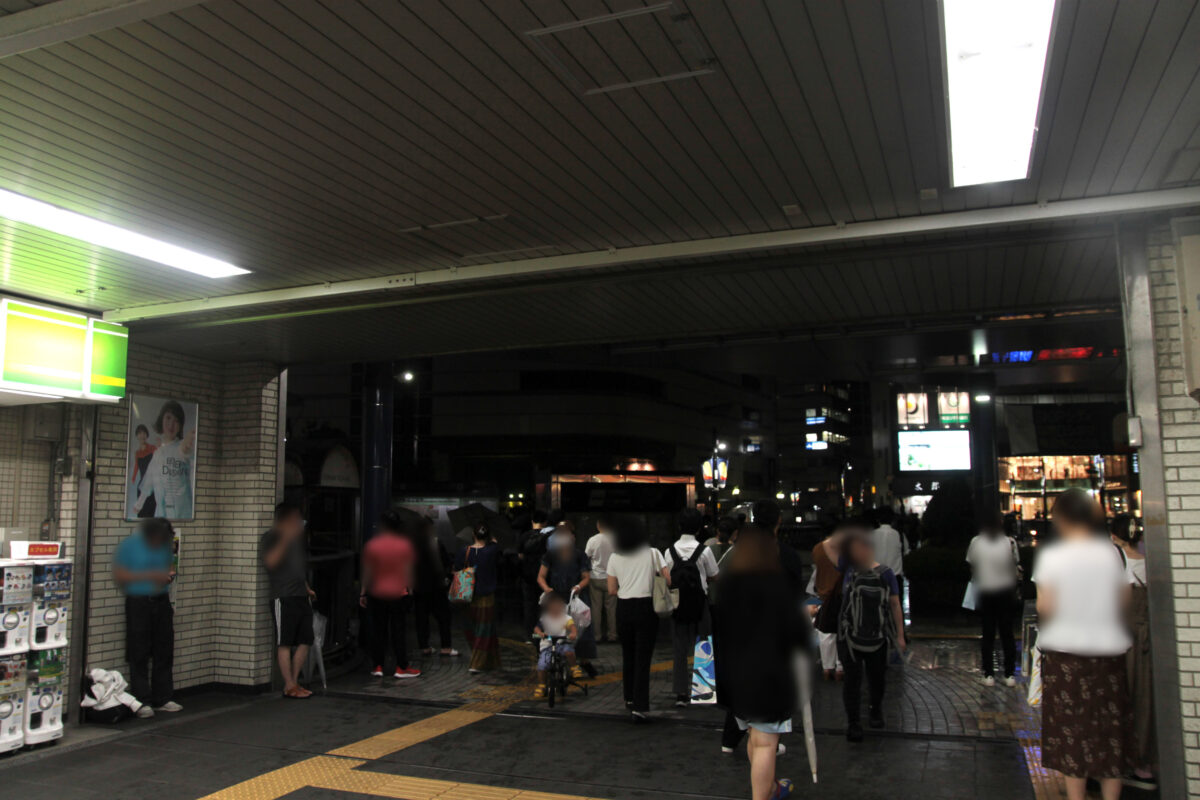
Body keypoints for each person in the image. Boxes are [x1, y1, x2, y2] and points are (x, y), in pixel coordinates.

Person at [1034, 489, 1134, 800]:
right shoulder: (1112, 553)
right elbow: (1124, 601)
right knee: (1110, 732)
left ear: (1061, 519)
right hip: (1109, 656)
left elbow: (1046, 607)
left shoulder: (1053, 556)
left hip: (1066, 658)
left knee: (1072, 734)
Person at [713, 525, 806, 800]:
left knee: (754, 737)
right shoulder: (777, 586)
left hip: (737, 677)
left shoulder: (729, 587)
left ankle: (772, 789)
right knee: (766, 743)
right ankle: (762, 796)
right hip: (770, 678)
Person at [837, 524, 905, 742]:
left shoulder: (852, 572)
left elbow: (845, 604)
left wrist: (901, 635)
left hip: (852, 638)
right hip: (876, 637)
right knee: (874, 679)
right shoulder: (886, 573)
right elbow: (895, 605)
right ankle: (871, 714)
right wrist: (900, 636)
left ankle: (856, 723)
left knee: (856, 681)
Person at [113, 517, 180, 716]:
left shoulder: (165, 546)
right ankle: (142, 700)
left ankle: (163, 697)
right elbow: (122, 575)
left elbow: (169, 567)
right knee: (139, 651)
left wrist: (168, 574)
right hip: (138, 600)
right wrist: (151, 575)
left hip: (161, 598)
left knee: (164, 649)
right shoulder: (130, 546)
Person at [606, 515, 670, 722]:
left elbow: (611, 590)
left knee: (628, 654)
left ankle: (629, 698)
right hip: (646, 606)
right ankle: (640, 707)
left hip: (624, 607)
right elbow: (667, 579)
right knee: (643, 657)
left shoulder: (615, 557)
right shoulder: (653, 553)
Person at [1110, 514, 1155, 791]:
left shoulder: (1116, 564)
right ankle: (1144, 763)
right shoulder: (1151, 561)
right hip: (1148, 641)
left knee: (1119, 698)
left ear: (1114, 536)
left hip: (1120, 638)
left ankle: (1122, 761)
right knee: (1144, 698)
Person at [662, 508, 719, 706]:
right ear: (698, 529)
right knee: (702, 643)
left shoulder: (668, 552)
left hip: (677, 603)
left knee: (679, 648)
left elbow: (666, 578)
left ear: (679, 527)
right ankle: (702, 691)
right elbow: (714, 575)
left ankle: (680, 694)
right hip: (700, 603)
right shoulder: (705, 551)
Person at [260, 502, 315, 699]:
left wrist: (307, 587)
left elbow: (297, 568)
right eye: (295, 521)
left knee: (306, 639)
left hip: (301, 595)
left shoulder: (297, 541)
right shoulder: (271, 537)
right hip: (283, 597)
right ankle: (289, 685)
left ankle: (294, 682)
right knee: (284, 642)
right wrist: (285, 538)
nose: (299, 525)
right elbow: (271, 562)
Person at [359, 510, 420, 679]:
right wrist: (411, 592)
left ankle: (377, 666)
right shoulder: (405, 545)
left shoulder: (372, 545)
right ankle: (401, 667)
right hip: (399, 594)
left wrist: (362, 594)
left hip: (377, 593)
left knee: (379, 631)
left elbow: (368, 572)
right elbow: (409, 572)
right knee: (398, 631)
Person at [966, 509, 1020, 687]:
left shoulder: (976, 542)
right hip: (1006, 591)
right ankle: (1009, 673)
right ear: (1001, 523)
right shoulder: (1009, 542)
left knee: (987, 633)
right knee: (1007, 633)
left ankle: (988, 673)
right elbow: (1016, 565)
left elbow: (971, 565)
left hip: (985, 590)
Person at [538, 525, 597, 677]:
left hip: (576, 597)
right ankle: (553, 660)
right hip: (556, 597)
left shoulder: (579, 555)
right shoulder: (550, 555)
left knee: (582, 631)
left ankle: (583, 661)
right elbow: (541, 577)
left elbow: (586, 578)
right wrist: (547, 589)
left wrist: (578, 587)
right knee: (554, 628)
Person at [133, 400, 194, 520]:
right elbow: (149, 481)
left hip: (183, 513)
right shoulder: (157, 454)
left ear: (180, 425)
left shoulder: (181, 447)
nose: (171, 424)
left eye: (176, 421)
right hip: (162, 514)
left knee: (175, 538)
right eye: (168, 418)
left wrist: (186, 447)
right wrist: (139, 504)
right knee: (166, 538)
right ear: (162, 419)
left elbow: (186, 453)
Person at [456, 522, 502, 673]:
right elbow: (495, 546)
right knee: (485, 629)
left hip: (467, 595)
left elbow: (456, 569)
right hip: (486, 596)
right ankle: (477, 663)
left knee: (473, 628)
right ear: (487, 536)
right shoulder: (492, 550)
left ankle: (490, 662)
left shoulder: (464, 551)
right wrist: (493, 540)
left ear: (473, 535)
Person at [412, 517, 457, 657]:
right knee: (444, 617)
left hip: (419, 587)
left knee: (421, 618)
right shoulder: (435, 543)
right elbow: (447, 563)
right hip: (436, 586)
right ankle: (446, 647)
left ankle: (424, 646)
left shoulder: (412, 545)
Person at [811, 527, 845, 681]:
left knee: (825, 632)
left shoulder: (817, 549)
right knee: (841, 631)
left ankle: (827, 668)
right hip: (840, 594)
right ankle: (840, 667)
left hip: (823, 594)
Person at [532, 591, 578, 698]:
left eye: (559, 605)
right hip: (548, 645)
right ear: (548, 607)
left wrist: (573, 633)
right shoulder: (545, 618)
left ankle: (574, 667)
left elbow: (572, 626)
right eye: (553, 606)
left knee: (569, 652)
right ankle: (542, 685)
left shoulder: (566, 618)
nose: (556, 608)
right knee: (542, 665)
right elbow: (537, 628)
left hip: (562, 642)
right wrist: (539, 633)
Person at [584, 517, 618, 643]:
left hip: (595, 577)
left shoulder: (593, 540)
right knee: (611, 608)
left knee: (596, 608)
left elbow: (586, 556)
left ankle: (597, 636)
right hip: (612, 578)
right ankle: (612, 635)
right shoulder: (616, 538)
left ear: (598, 526)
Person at [518, 510, 552, 634]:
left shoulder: (524, 536)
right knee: (545, 604)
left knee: (529, 606)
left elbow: (520, 556)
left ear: (532, 521)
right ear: (546, 522)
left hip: (528, 576)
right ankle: (544, 631)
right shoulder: (549, 536)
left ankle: (530, 633)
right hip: (545, 576)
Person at [870, 507, 908, 600]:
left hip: (876, 577)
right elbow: (906, 551)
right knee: (896, 606)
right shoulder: (899, 535)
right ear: (892, 519)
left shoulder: (871, 535)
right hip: (895, 577)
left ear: (878, 519)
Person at [129, 424, 157, 519]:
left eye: (144, 433)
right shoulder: (137, 453)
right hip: (141, 486)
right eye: (140, 433)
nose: (142, 435)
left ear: (147, 435)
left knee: (150, 513)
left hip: (152, 486)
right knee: (141, 515)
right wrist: (132, 478)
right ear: (137, 436)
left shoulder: (153, 448)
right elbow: (137, 466)